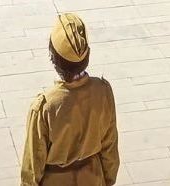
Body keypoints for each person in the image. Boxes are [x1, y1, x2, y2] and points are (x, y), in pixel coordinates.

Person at [19, 12, 120, 186]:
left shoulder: (45, 106)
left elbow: (33, 165)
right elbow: (109, 147)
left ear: (53, 58)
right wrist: (107, 181)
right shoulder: (103, 91)